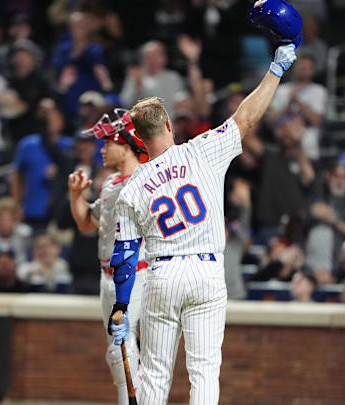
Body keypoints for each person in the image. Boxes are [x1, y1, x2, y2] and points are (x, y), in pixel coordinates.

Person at [107, 41, 297, 404]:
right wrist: (275, 70)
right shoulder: (202, 149)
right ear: (166, 124)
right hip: (207, 269)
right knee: (205, 371)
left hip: (162, 274)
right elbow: (246, 118)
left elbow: (125, 256)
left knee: (156, 374)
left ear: (138, 137)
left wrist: (121, 306)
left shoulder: (131, 188)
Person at [67, 108, 148, 405]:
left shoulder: (146, 179)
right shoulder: (112, 183)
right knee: (121, 352)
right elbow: (87, 222)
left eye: (108, 143)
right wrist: (76, 196)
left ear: (125, 145)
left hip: (136, 273)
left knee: (121, 348)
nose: (102, 149)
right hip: (107, 278)